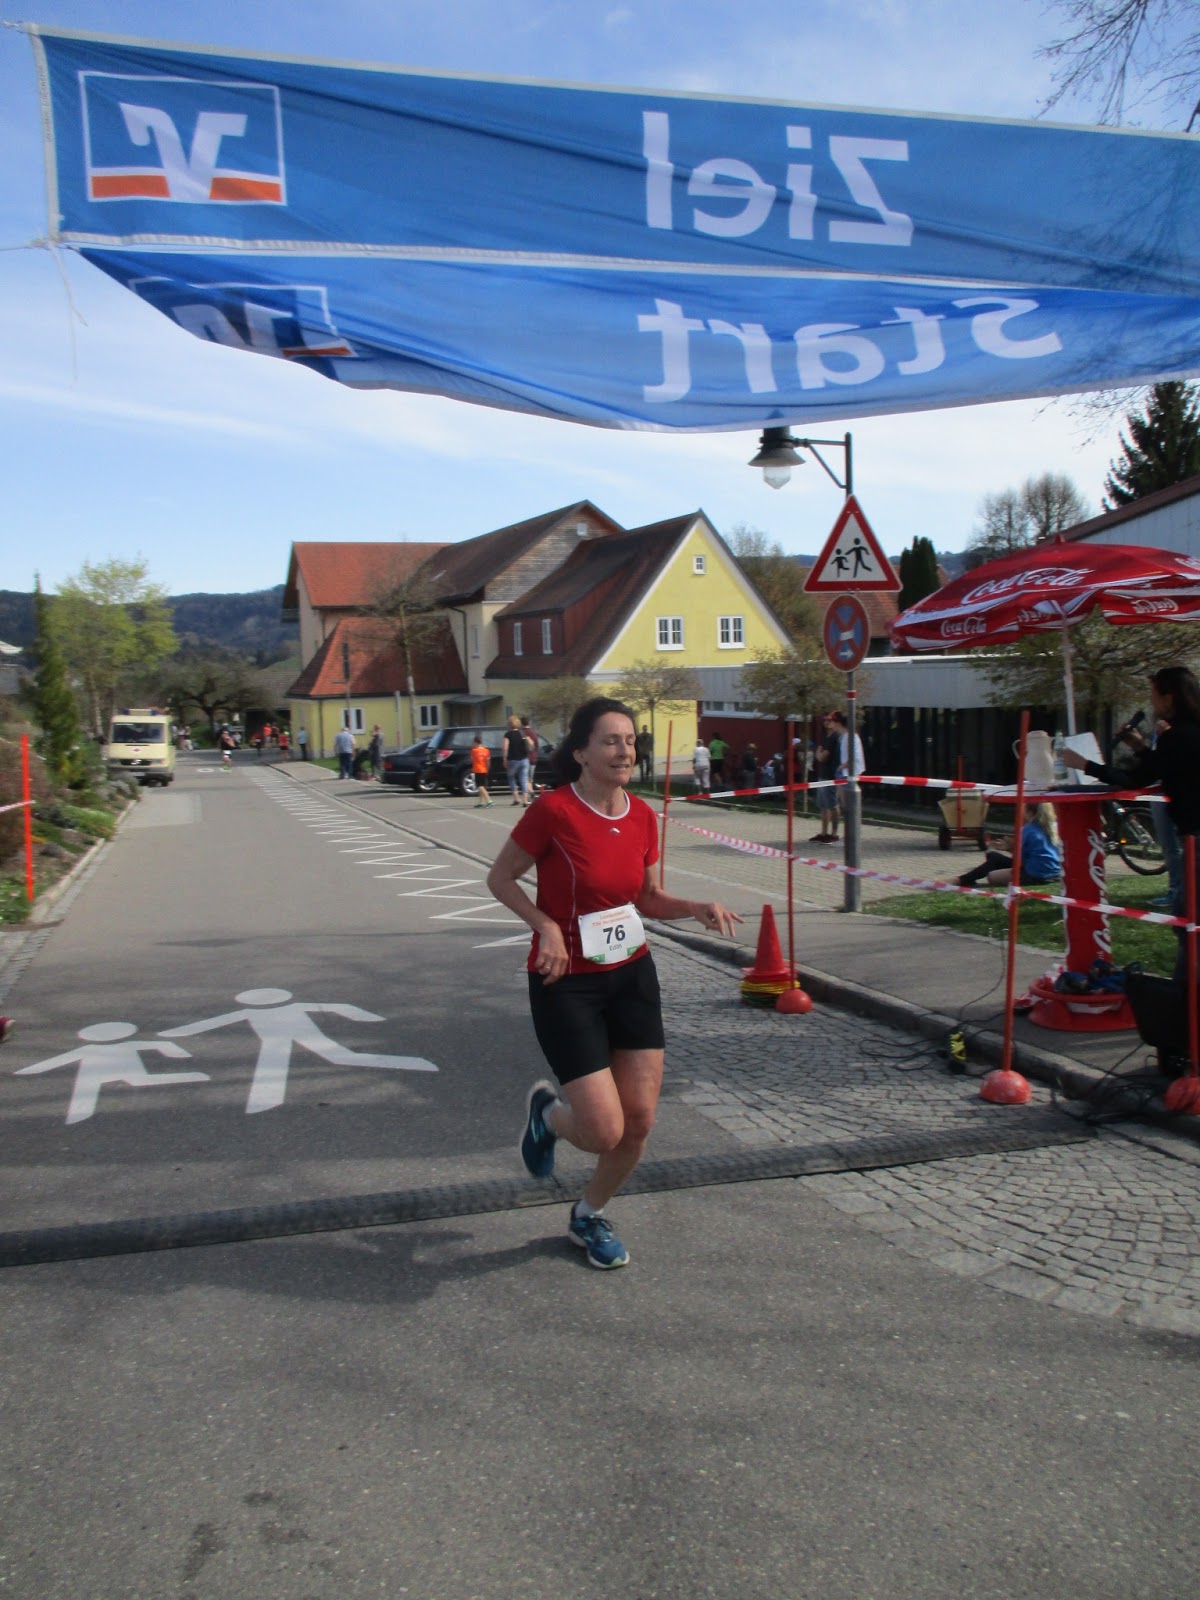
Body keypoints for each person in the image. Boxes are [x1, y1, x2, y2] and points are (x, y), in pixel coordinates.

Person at [485, 697, 742, 1269]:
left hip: (630, 974)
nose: (624, 750)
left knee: (639, 1122)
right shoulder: (553, 811)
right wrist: (546, 927)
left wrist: (694, 906)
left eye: (630, 740)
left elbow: (646, 897)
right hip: (566, 981)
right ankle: (547, 1115)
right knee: (603, 1130)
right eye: (610, 740)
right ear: (580, 752)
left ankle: (589, 1215)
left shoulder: (644, 815)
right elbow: (500, 878)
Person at [1063, 665, 1200, 979]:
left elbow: (1135, 779)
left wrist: (1085, 765)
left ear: (1169, 696)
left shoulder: (1177, 736)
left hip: (1196, 837)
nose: (1151, 701)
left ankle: (1186, 993)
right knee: (1188, 919)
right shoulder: (1186, 733)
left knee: (1188, 921)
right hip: (1193, 834)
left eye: (1153, 694)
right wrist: (1140, 747)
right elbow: (1165, 766)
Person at [957, 803, 1062, 888]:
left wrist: (1009, 848)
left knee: (991, 876)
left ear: (1029, 812)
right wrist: (1009, 848)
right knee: (994, 857)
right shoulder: (1055, 827)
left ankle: (962, 880)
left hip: (1036, 874)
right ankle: (963, 879)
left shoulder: (1028, 829)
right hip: (1055, 872)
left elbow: (1019, 860)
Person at [829, 710, 864, 838]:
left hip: (847, 774)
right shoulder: (843, 736)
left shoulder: (851, 737)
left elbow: (854, 756)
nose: (830, 723)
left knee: (849, 806)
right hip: (843, 773)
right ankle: (848, 835)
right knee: (844, 805)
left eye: (832, 721)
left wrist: (843, 766)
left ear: (838, 722)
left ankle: (852, 836)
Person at [504, 715, 530, 808]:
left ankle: (516, 799)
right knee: (523, 779)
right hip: (524, 759)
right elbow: (530, 744)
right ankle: (525, 800)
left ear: (509, 724)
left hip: (512, 760)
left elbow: (505, 747)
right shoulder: (522, 733)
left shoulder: (508, 734)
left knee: (511, 778)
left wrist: (504, 758)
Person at [469, 733, 494, 807]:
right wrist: (487, 769)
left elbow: (472, 760)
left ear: (475, 742)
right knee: (482, 785)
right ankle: (481, 802)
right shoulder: (486, 750)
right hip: (484, 769)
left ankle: (489, 800)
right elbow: (488, 761)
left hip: (477, 769)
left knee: (480, 786)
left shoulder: (474, 751)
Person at [520, 717, 540, 800]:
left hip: (524, 757)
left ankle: (531, 794)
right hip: (533, 757)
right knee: (530, 779)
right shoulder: (533, 732)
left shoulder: (521, 732)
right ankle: (530, 795)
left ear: (521, 723)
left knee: (525, 778)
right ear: (529, 722)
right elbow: (537, 745)